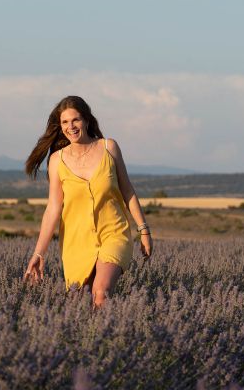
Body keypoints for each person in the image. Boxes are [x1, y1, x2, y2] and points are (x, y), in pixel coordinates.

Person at [23, 96, 152, 306]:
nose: (71, 127)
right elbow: (53, 208)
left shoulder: (109, 147)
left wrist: (144, 229)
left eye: (76, 120)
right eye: (65, 122)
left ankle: (101, 336)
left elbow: (127, 190)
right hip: (76, 241)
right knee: (80, 302)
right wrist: (39, 253)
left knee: (100, 292)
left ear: (87, 120)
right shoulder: (57, 160)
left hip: (113, 233)